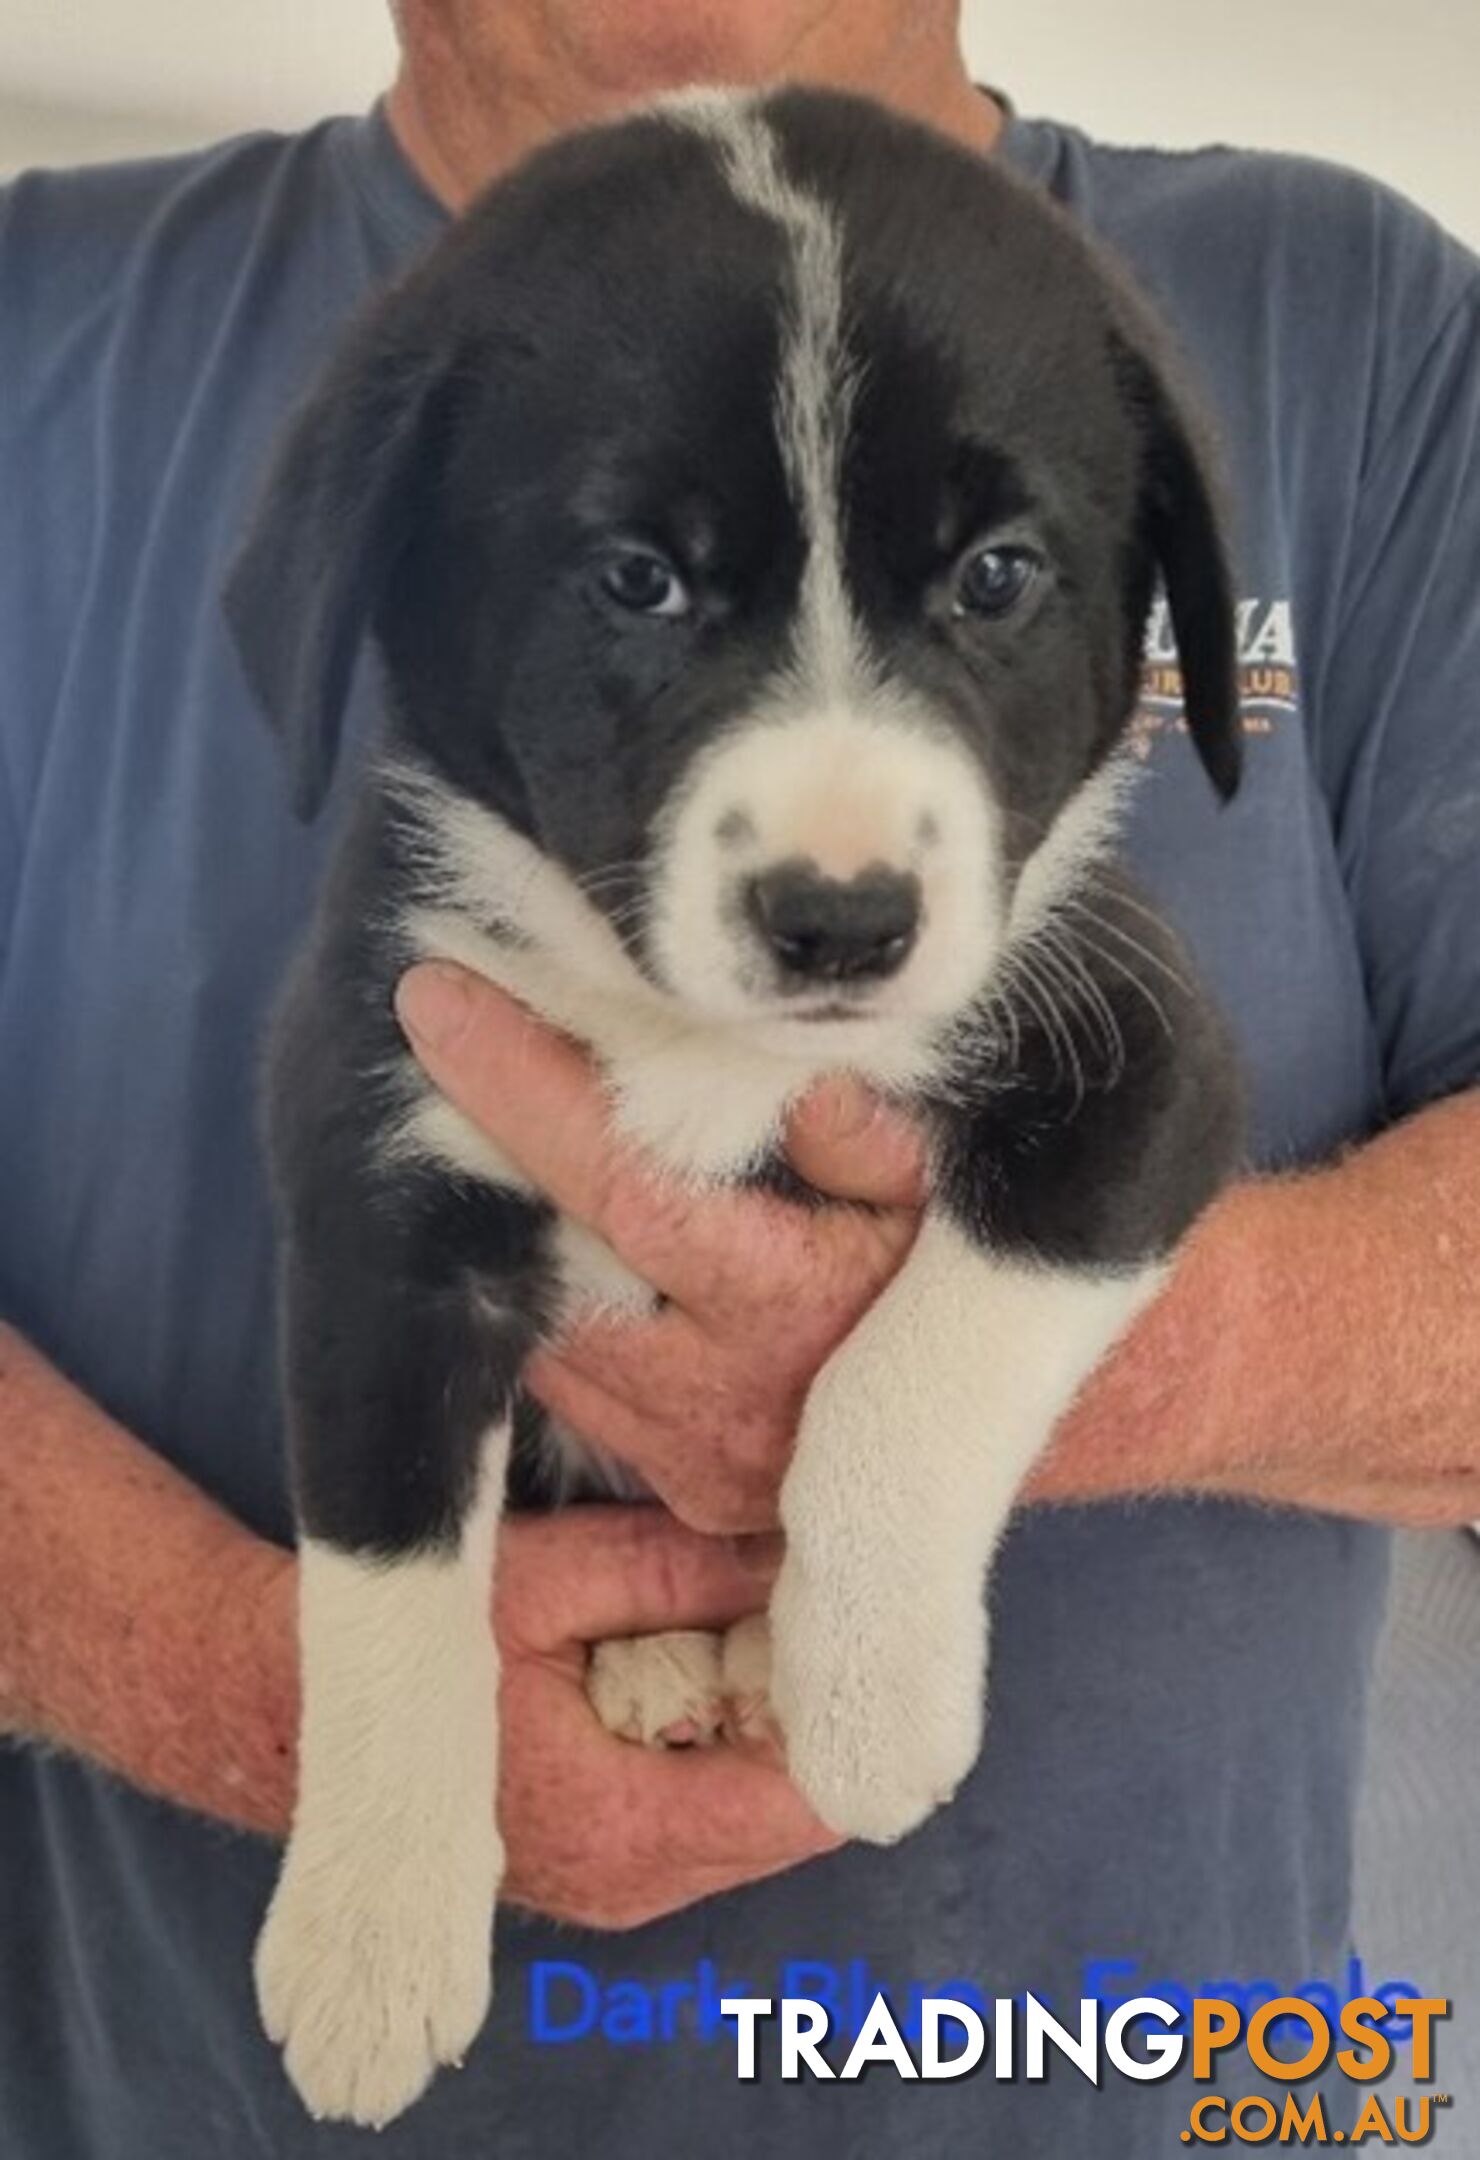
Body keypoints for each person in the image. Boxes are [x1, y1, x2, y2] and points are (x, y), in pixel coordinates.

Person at [1, 2, 1476, 2152]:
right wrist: (264, 1697)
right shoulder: (42, 336)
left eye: (987, 579)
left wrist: (1066, 1390)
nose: (834, 845)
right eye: (634, 575)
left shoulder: (1353, 330)